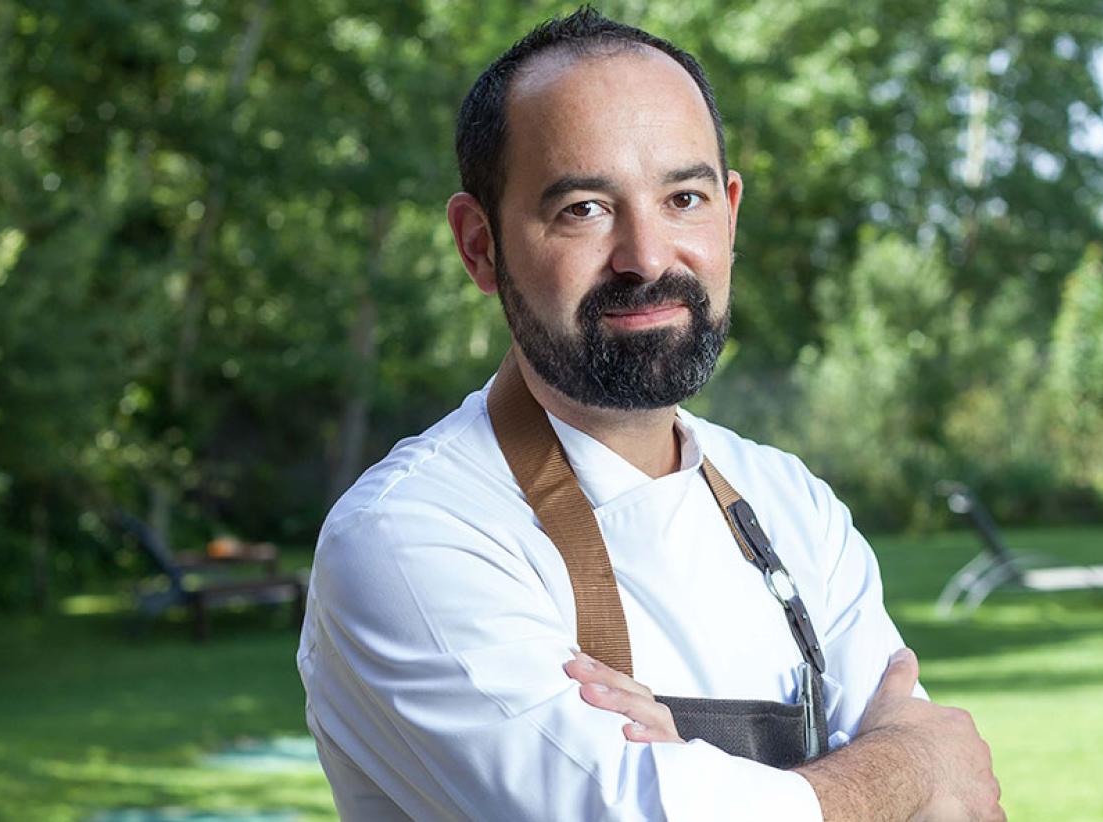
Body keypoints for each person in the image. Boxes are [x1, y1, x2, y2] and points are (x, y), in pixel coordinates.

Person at [297, 7, 1003, 821]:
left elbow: (959, 810)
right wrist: (906, 764)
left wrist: (709, 785)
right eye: (584, 208)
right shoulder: (409, 536)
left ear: (729, 214)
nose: (646, 256)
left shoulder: (794, 504)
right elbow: (927, 775)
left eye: (684, 197)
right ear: (480, 245)